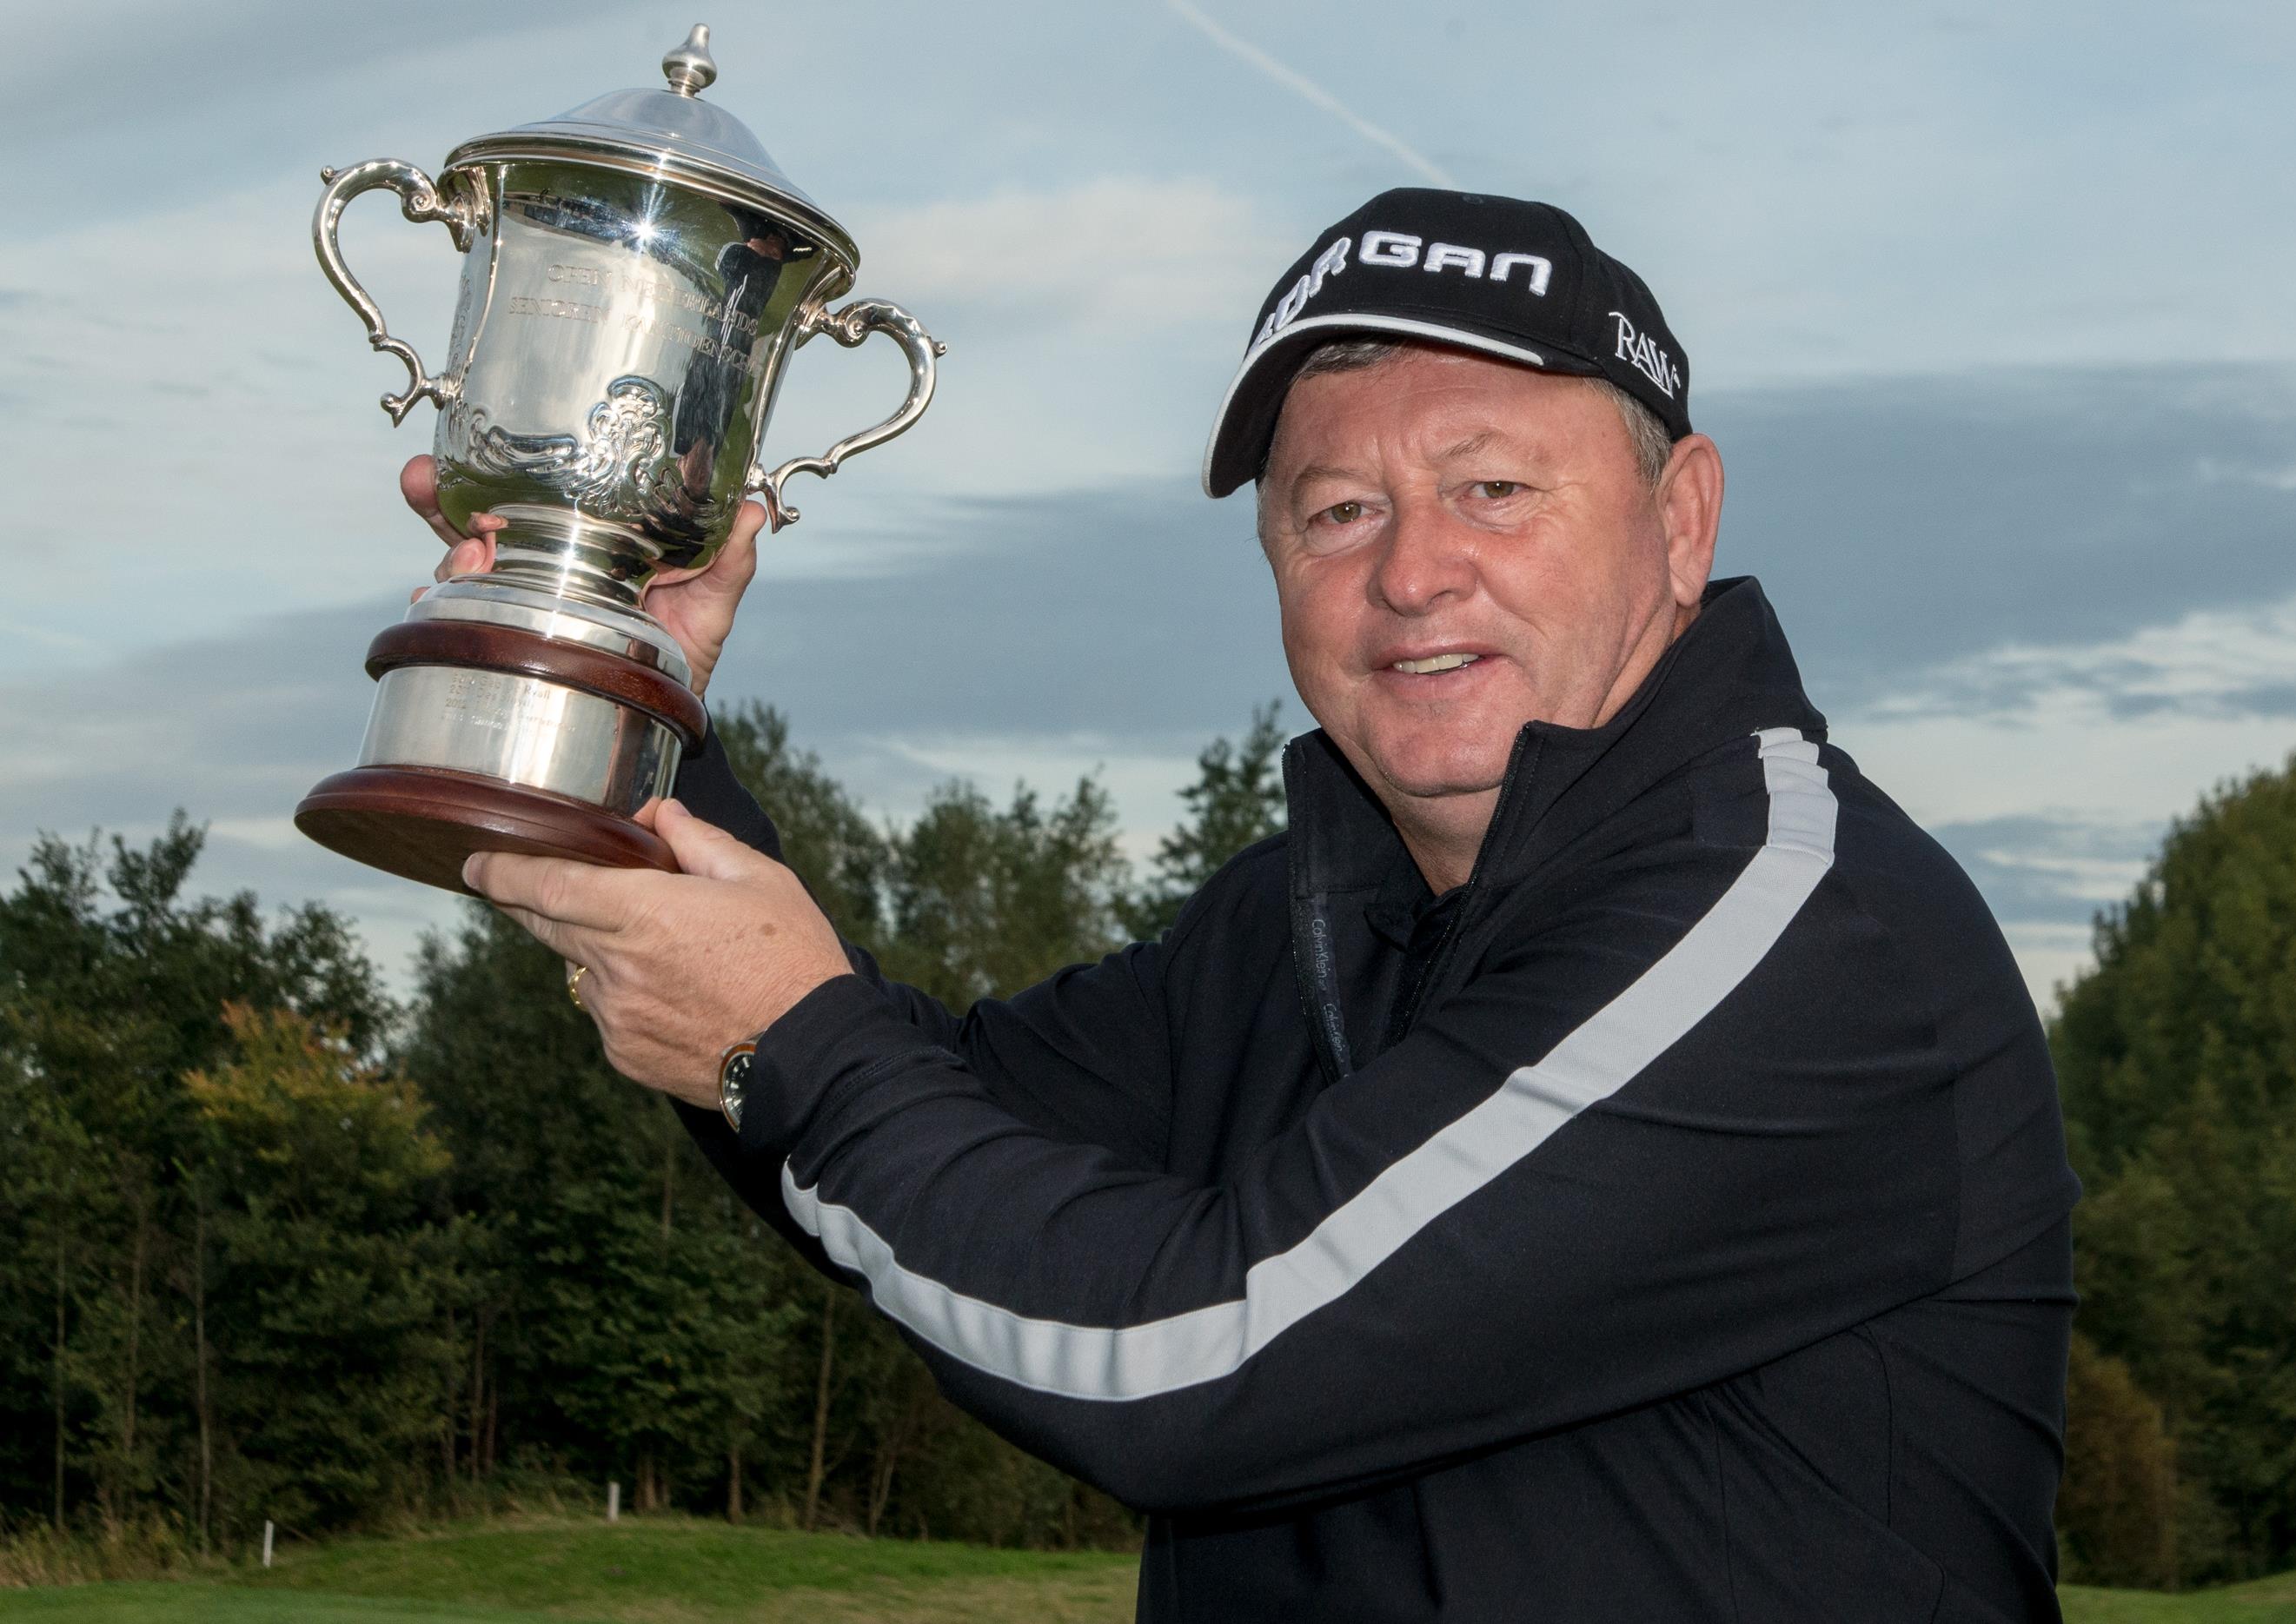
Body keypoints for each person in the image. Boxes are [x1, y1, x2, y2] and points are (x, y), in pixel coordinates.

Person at [409, 188, 2080, 1623]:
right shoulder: (1303, 916)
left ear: (1678, 519)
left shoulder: (1786, 921)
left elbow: (1191, 1348)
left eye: (1494, 488)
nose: (1411, 571)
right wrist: (620, 692)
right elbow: (931, 1156)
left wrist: (783, 1043)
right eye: (1337, 511)